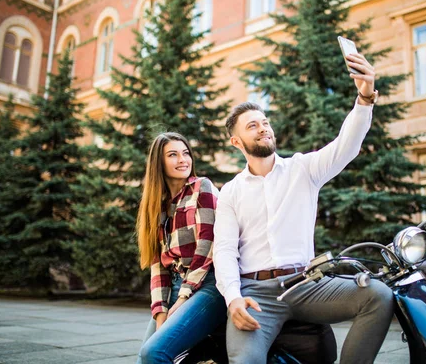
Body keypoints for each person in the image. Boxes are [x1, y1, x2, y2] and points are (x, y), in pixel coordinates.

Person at [213, 52, 394, 364]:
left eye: (265, 122)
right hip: (257, 295)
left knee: (379, 296)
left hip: (307, 285)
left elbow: (345, 146)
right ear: (236, 142)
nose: (263, 128)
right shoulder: (231, 191)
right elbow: (225, 250)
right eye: (252, 125)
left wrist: (365, 97)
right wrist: (233, 299)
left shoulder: (303, 169)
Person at [136, 132, 226, 364]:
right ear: (159, 163)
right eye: (173, 155)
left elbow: (207, 247)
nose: (183, 160)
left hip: (208, 285)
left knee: (153, 353)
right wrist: (160, 311)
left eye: (185, 153)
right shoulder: (157, 205)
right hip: (177, 285)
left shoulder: (201, 188)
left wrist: (183, 298)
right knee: (144, 355)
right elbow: (158, 265)